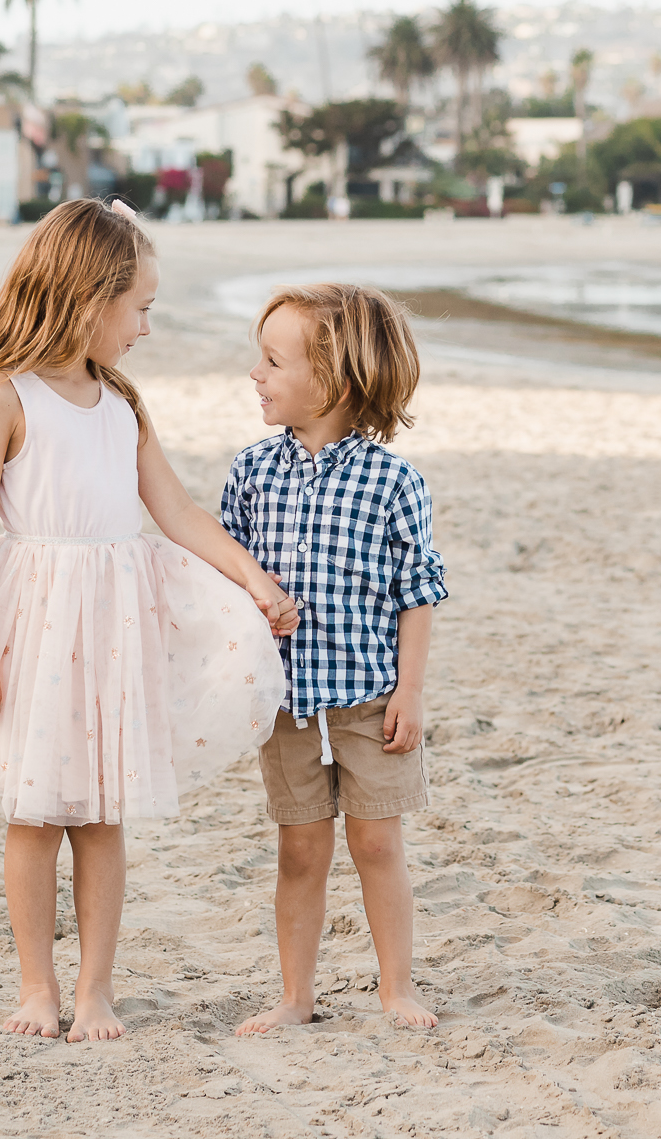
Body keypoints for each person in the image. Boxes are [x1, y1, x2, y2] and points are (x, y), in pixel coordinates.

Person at [0, 198, 294, 1042]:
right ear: (90, 299)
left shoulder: (121, 401)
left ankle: (95, 991)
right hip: (36, 627)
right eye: (142, 308)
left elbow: (179, 512)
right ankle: (36, 986)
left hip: (114, 626)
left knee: (100, 812)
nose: (147, 329)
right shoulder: (2, 397)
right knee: (35, 811)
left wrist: (252, 577)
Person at [225, 284, 448, 1034]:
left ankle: (395, 988)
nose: (255, 374)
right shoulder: (252, 471)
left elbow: (418, 591)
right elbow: (223, 572)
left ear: (336, 380)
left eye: (273, 361)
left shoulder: (393, 480)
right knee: (300, 847)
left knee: (377, 840)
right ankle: (296, 996)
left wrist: (409, 692)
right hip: (285, 699)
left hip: (368, 693)